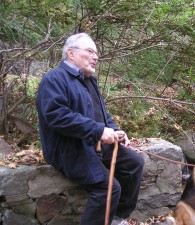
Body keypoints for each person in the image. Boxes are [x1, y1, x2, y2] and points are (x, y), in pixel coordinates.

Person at [36, 32, 144, 225]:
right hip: (70, 149)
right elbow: (56, 116)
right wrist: (98, 130)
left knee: (134, 163)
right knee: (108, 188)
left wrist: (115, 130)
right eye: (90, 51)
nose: (96, 57)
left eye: (96, 54)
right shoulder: (54, 79)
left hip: (94, 143)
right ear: (71, 53)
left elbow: (102, 115)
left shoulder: (89, 80)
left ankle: (117, 218)